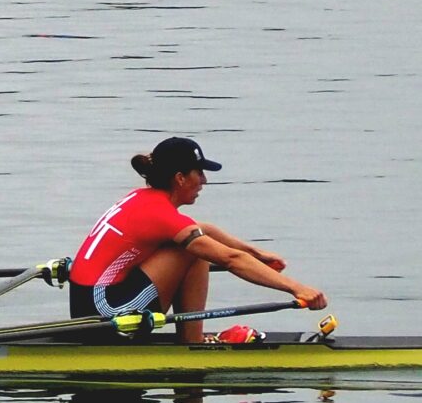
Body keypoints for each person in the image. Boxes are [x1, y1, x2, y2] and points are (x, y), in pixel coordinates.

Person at [68, 136, 326, 344]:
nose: (204, 180)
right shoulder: (160, 214)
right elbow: (231, 259)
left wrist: (256, 252)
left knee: (195, 244)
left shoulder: (141, 198)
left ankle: (192, 338)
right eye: (199, 173)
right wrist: (297, 289)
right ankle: (192, 341)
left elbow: (201, 228)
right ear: (180, 178)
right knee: (195, 250)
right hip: (106, 315)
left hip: (87, 307)